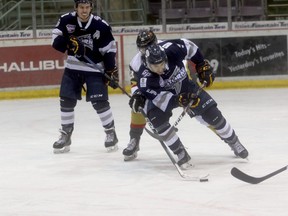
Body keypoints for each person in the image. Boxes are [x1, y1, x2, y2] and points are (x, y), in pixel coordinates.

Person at [128, 42, 249, 168]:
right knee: (157, 121)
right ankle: (180, 152)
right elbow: (160, 100)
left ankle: (234, 142)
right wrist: (179, 100)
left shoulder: (173, 50)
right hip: (166, 96)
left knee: (214, 116)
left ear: (165, 59)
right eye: (155, 67)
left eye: (161, 65)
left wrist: (201, 65)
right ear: (147, 64)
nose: (159, 69)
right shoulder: (145, 79)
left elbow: (191, 47)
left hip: (187, 88)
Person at [51, 0, 119, 153]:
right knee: (66, 101)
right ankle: (66, 135)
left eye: (87, 7)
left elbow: (109, 49)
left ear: (91, 8)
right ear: (76, 8)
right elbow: (55, 41)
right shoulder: (66, 20)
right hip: (72, 68)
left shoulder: (101, 25)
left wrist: (111, 71)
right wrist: (69, 43)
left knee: (100, 102)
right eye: (81, 7)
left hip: (94, 69)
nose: (84, 10)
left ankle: (110, 133)